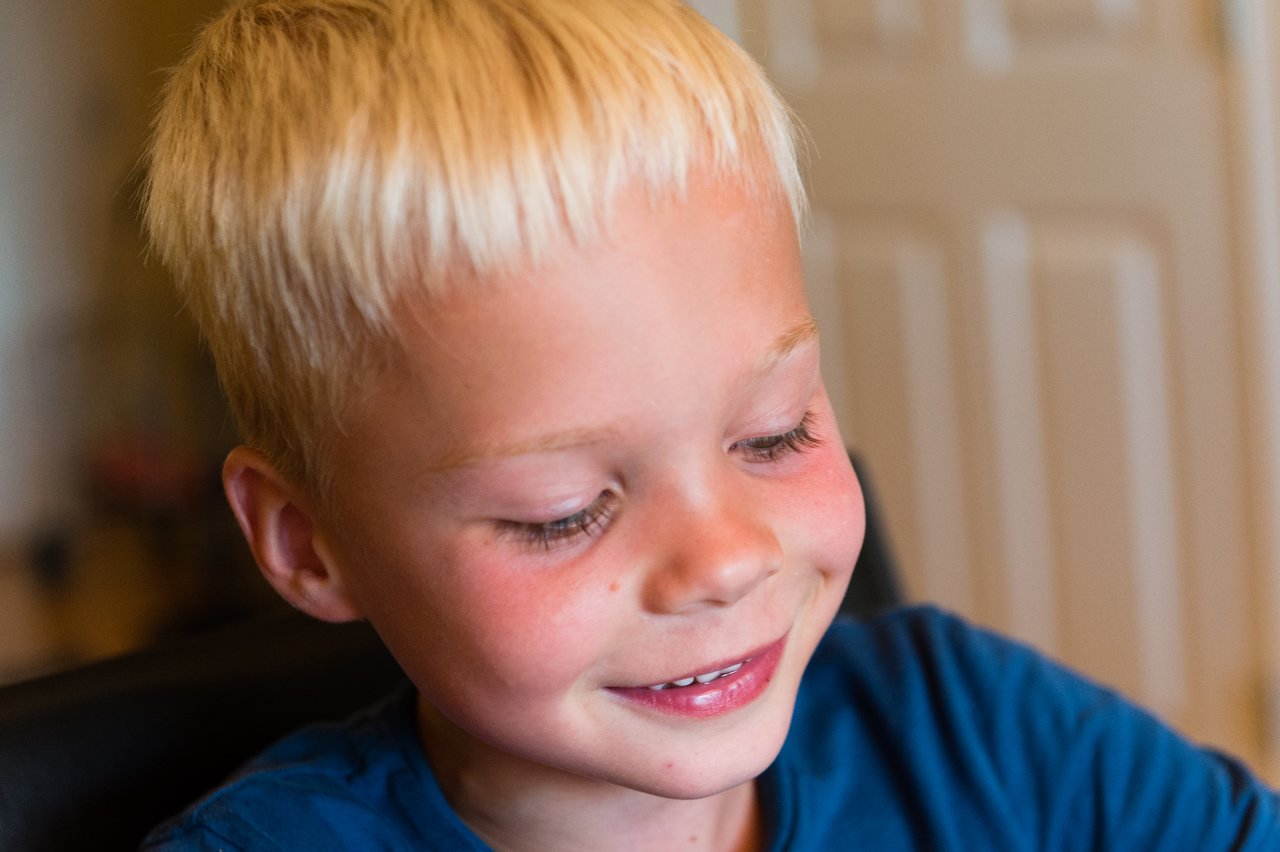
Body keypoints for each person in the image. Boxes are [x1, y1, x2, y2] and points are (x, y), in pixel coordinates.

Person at [140, 0, 1279, 848]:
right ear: (304, 542)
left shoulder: (971, 731)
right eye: (565, 512)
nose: (727, 560)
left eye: (773, 433)